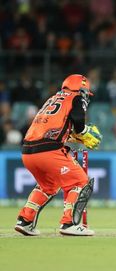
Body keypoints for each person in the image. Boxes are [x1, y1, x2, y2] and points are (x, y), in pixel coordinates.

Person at [15, 74, 103, 237]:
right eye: (86, 93)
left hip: (28, 152)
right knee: (81, 182)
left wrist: (73, 135)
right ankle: (69, 223)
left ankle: (25, 220)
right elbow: (78, 121)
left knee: (48, 186)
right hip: (49, 151)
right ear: (81, 89)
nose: (86, 97)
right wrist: (84, 132)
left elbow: (56, 126)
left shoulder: (53, 98)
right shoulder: (75, 96)